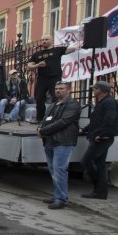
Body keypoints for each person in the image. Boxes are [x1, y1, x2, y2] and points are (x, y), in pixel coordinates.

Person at [37, 81, 80, 209]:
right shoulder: (53, 105)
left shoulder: (73, 104)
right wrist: (39, 128)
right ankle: (57, 195)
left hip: (63, 142)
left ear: (69, 90)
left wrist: (43, 131)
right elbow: (44, 120)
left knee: (60, 170)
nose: (58, 90)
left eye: (61, 88)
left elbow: (63, 122)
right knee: (53, 170)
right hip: (49, 141)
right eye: (56, 88)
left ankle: (61, 199)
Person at [80, 81, 118, 200]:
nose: (93, 91)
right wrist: (84, 129)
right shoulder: (102, 102)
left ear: (100, 90)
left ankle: (99, 188)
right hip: (99, 137)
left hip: (102, 139)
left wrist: (103, 135)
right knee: (100, 165)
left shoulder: (109, 102)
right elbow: (96, 121)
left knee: (86, 161)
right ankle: (100, 192)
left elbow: (110, 119)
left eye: (95, 88)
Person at [25, 36, 66, 122]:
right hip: (42, 78)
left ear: (51, 40)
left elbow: (72, 49)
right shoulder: (37, 54)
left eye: (46, 39)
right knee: (39, 98)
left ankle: (55, 118)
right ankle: (40, 119)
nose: (44, 41)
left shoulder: (57, 50)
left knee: (56, 98)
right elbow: (29, 66)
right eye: (42, 39)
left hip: (55, 77)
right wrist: (38, 65)